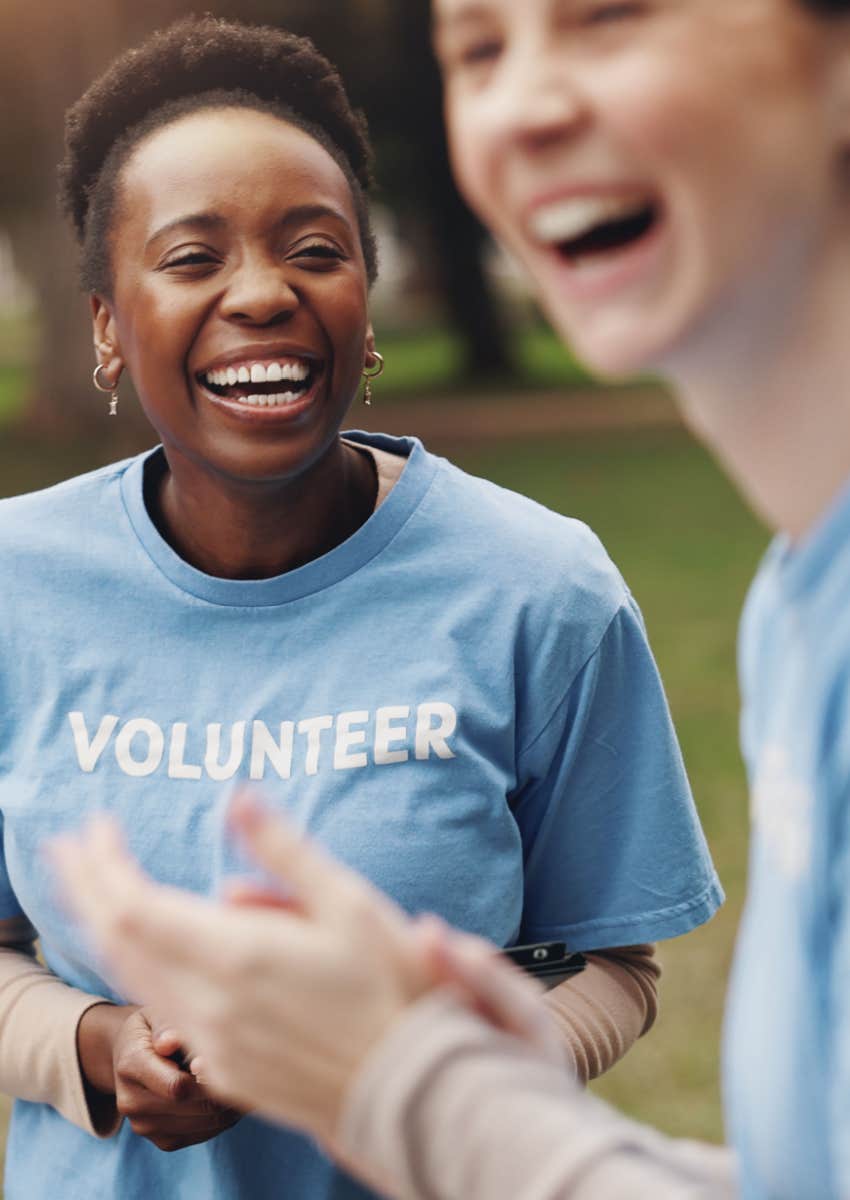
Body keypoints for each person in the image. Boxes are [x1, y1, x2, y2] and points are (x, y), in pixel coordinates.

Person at [50, 0, 850, 1196]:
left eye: (610, 17)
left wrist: (404, 1083)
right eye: (478, 48)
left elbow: (610, 958)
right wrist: (99, 1046)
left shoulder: (548, 587)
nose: (526, 105)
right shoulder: (794, 618)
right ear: (107, 327)